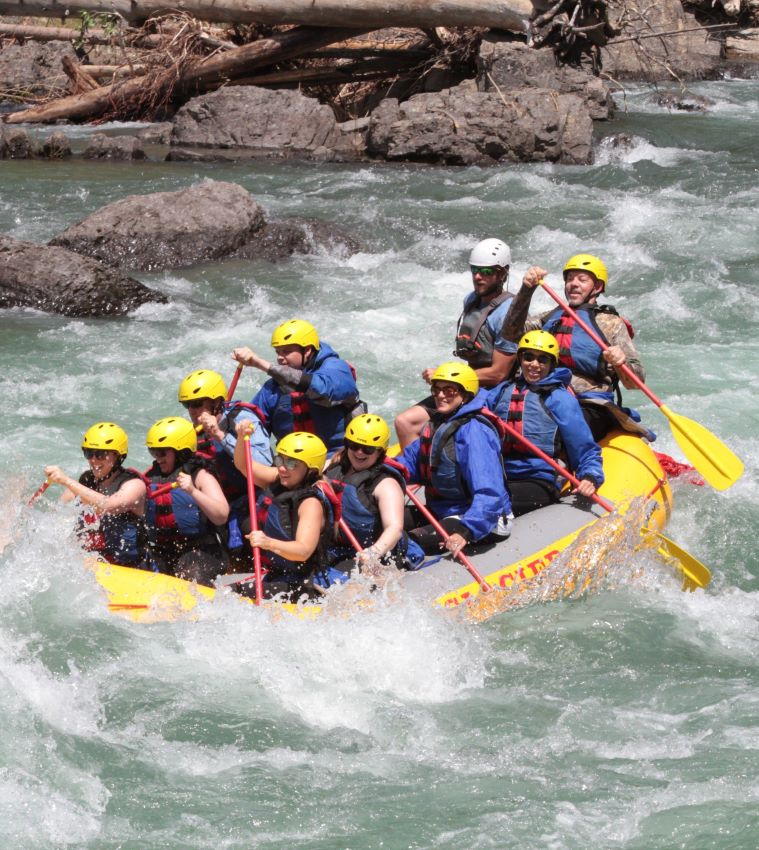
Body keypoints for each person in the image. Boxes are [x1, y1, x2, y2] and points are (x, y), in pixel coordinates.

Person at [498, 253, 652, 442]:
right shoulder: (551, 317)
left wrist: (621, 363)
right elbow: (510, 333)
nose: (573, 284)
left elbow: (635, 383)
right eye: (569, 279)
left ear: (597, 287)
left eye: (582, 279)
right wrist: (526, 290)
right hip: (545, 394)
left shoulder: (611, 323)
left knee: (558, 429)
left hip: (589, 403)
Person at [395, 239, 518, 448]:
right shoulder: (471, 300)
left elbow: (499, 373)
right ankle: (419, 473)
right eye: (475, 270)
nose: (478, 277)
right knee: (404, 422)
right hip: (470, 383)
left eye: (486, 272)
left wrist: (449, 377)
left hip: (495, 389)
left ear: (502, 274)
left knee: (413, 423)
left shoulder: (508, 314)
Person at [395, 362, 512, 556]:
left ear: (465, 394)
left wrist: (467, 530)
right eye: (437, 390)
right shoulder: (439, 424)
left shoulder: (475, 432)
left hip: (481, 518)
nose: (441, 396)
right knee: (379, 520)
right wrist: (379, 471)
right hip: (444, 509)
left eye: (449, 391)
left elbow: (489, 492)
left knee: (406, 543)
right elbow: (409, 462)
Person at [486, 331, 604, 516]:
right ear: (520, 359)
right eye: (528, 357)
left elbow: (584, 446)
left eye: (542, 360)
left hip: (539, 479)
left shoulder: (559, 399)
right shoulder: (502, 391)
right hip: (500, 473)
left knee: (490, 502)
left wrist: (590, 476)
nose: (534, 364)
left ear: (551, 365)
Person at [178, 368, 272, 565]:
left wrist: (220, 435)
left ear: (216, 403)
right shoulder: (193, 433)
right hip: (222, 505)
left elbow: (262, 463)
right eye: (188, 405)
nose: (192, 410)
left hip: (255, 497)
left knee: (248, 527)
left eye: (197, 404)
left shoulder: (243, 419)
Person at [232, 319, 364, 455]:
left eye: (286, 352)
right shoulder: (273, 387)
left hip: (337, 457)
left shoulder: (337, 369)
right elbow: (253, 416)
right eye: (278, 352)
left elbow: (322, 390)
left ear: (307, 350)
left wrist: (258, 363)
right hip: (292, 463)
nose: (280, 358)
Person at [233, 429, 333, 600]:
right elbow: (244, 466)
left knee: (232, 597)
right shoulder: (280, 478)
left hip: (304, 583)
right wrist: (242, 437)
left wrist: (268, 542)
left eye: (292, 463)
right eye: (279, 459)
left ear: (310, 470)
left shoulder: (311, 504)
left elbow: (303, 551)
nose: (282, 467)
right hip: (279, 573)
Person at [323, 413, 424, 580]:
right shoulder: (334, 465)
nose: (359, 452)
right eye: (353, 445)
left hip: (374, 550)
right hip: (339, 546)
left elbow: (394, 527)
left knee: (337, 580)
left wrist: (374, 552)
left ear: (380, 451)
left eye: (368, 449)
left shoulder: (386, 484)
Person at [44, 422, 148, 567]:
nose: (93, 460)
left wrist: (66, 480)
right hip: (91, 562)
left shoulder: (134, 485)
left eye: (100, 455)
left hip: (129, 567)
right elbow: (55, 514)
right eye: (89, 453)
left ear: (117, 456)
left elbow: (108, 506)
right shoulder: (86, 481)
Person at [144, 416, 230, 584]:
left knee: (190, 572)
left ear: (181, 451)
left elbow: (221, 515)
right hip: (164, 550)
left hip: (203, 551)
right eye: (153, 452)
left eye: (162, 453)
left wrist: (192, 491)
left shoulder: (200, 475)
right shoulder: (149, 477)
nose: (158, 458)